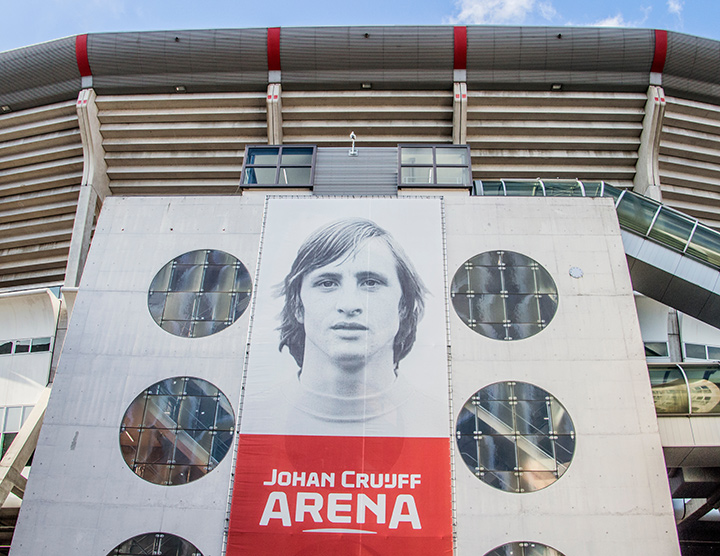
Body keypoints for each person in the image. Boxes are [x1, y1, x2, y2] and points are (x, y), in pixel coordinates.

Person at [270, 217, 438, 436]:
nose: (349, 305)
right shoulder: (255, 417)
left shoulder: (439, 423)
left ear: (403, 306)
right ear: (297, 305)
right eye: (327, 283)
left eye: (370, 282)